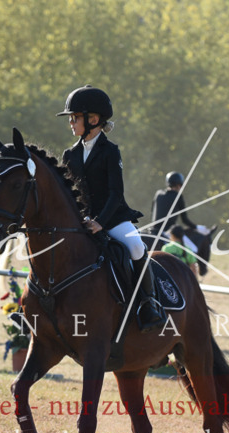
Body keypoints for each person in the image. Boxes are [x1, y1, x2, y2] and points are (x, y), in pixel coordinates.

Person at [57, 85, 165, 331]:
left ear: (93, 120)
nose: (71, 123)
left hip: (112, 218)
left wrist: (100, 222)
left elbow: (116, 193)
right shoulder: (69, 154)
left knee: (137, 247)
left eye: (75, 118)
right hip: (81, 220)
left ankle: (148, 303)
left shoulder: (110, 151)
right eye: (70, 118)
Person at [151, 171, 211, 276]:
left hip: (152, 229)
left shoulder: (158, 193)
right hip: (168, 232)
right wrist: (197, 227)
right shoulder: (178, 196)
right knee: (194, 249)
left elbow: (153, 210)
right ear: (179, 185)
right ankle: (186, 276)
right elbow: (184, 220)